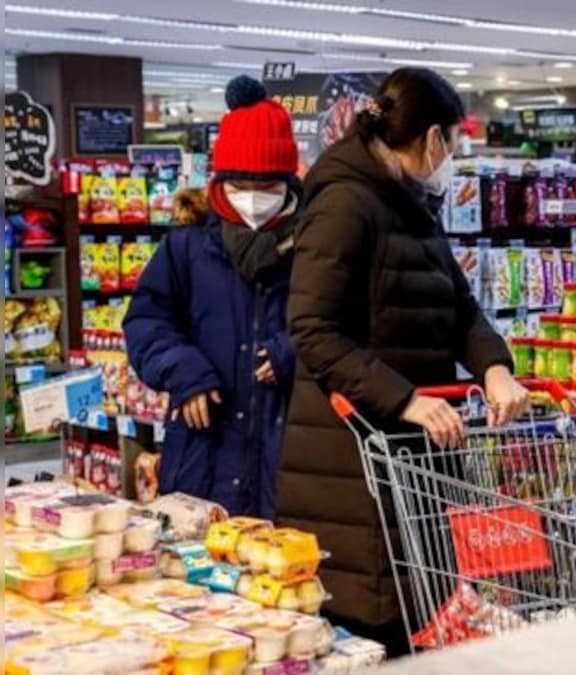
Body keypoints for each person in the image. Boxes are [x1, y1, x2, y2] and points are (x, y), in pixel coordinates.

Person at [278, 68, 529, 653]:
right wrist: (405, 398)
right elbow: (311, 329)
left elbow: (460, 307)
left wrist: (494, 367)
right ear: (434, 138)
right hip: (352, 461)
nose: (454, 157)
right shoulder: (344, 203)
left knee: (421, 613)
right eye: (455, 143)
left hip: (410, 454)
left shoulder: (411, 202)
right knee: (374, 627)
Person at [124, 76, 300, 517]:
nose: (254, 199)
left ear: (290, 184)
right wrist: (184, 369)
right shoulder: (186, 248)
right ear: (220, 182)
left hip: (288, 457)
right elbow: (146, 324)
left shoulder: (316, 246)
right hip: (203, 456)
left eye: (269, 187)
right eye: (241, 185)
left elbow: (342, 323)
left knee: (283, 576)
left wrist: (294, 351)